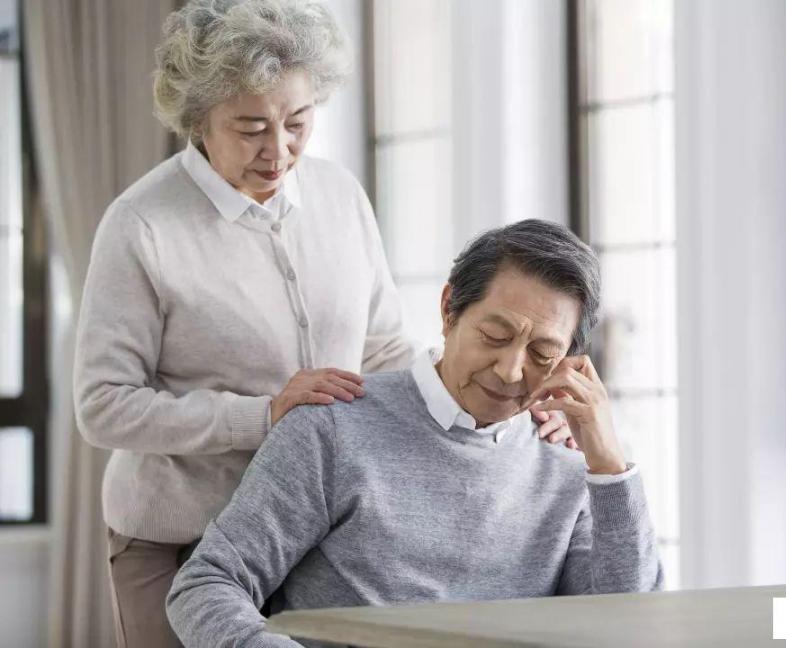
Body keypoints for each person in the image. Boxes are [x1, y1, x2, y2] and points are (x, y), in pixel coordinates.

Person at [72, 2, 570, 646]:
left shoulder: (339, 195)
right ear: (197, 120)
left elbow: (386, 347)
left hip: (316, 531)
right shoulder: (141, 224)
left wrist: (502, 406)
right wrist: (264, 416)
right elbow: (103, 406)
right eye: (250, 127)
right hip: (179, 538)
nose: (279, 150)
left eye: (298, 122)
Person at [166, 219, 665, 648]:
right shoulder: (333, 427)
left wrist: (609, 464)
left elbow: (626, 625)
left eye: (542, 354)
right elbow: (207, 583)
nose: (512, 371)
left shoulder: (566, 458)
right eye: (495, 336)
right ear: (449, 310)